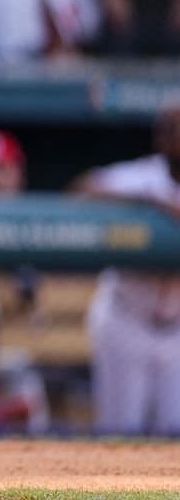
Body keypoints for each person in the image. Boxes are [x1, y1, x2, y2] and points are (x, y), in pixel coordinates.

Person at [72, 103, 180, 435]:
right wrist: (151, 205)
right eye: (173, 131)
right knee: (119, 433)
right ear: (161, 139)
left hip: (176, 326)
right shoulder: (141, 177)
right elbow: (81, 192)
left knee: (174, 437)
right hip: (127, 318)